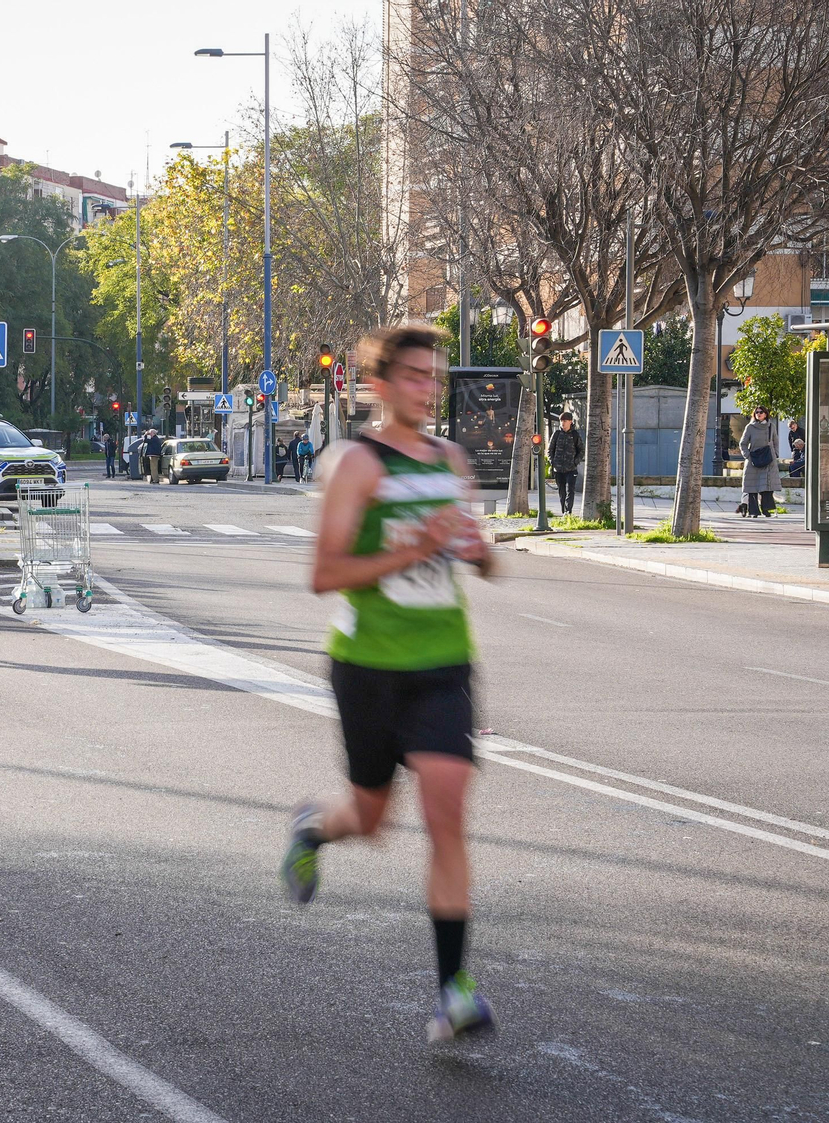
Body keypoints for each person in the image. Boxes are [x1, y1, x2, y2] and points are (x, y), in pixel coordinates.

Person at [280, 322, 496, 1044]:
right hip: (368, 667)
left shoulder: (452, 460)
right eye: (413, 375)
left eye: (434, 376)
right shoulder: (359, 466)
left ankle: (452, 990)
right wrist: (421, 547)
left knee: (446, 816)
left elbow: (483, 560)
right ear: (380, 383)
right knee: (372, 820)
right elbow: (323, 575)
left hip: (442, 664)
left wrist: (475, 550)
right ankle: (314, 827)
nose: (427, 388)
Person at [740, 406, 778, 517]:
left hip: (768, 459)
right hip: (753, 460)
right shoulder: (750, 427)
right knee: (752, 487)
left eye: (761, 412)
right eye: (756, 412)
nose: (758, 414)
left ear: (766, 414)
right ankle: (753, 511)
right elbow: (743, 443)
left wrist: (775, 454)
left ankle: (766, 509)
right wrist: (747, 455)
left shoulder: (771, 426)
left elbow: (776, 441)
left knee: (767, 485)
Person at [547, 413, 583, 516]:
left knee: (570, 491)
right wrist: (553, 462)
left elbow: (581, 450)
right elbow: (550, 449)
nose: (563, 423)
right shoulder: (557, 434)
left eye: (565, 421)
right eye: (561, 421)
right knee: (561, 492)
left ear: (570, 421)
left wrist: (575, 461)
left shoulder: (575, 435)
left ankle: (568, 512)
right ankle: (563, 511)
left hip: (571, 469)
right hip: (558, 469)